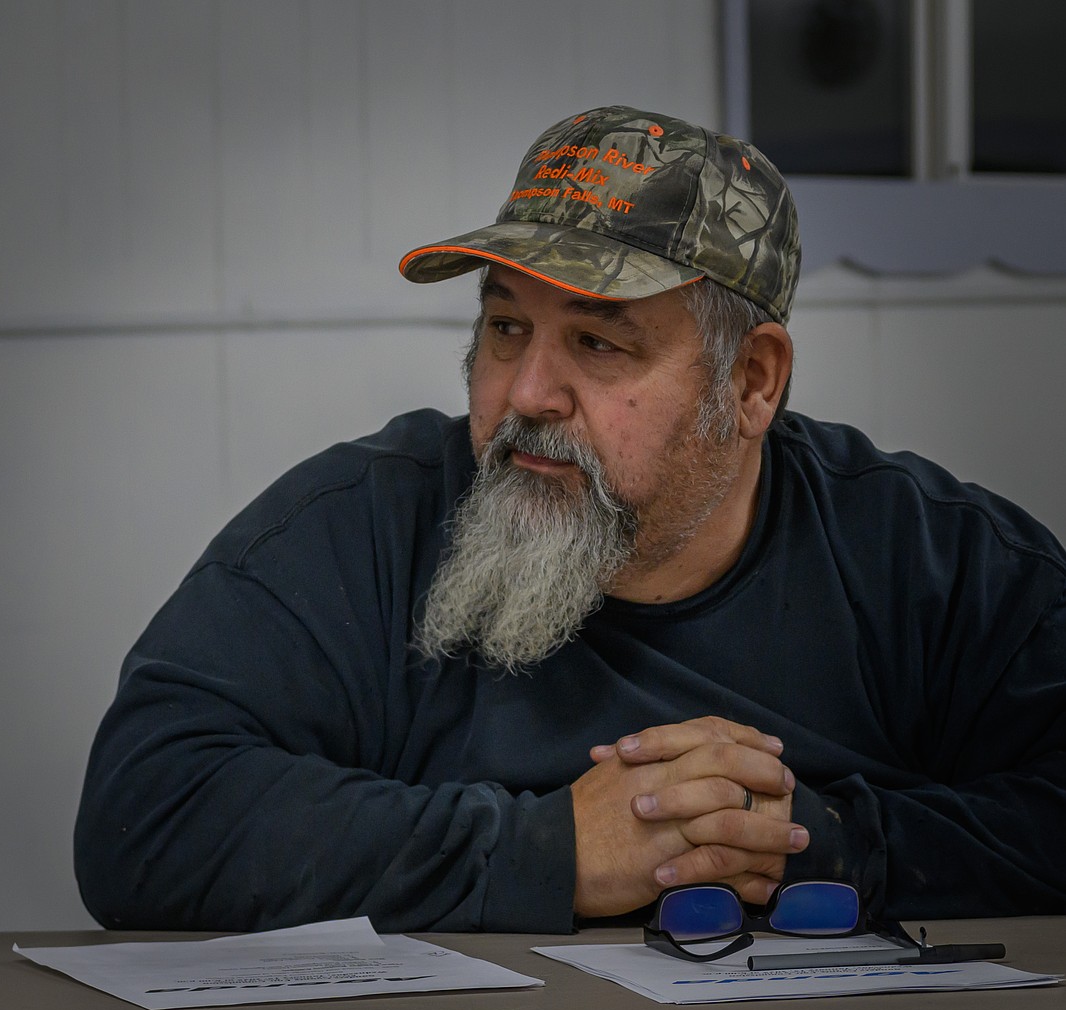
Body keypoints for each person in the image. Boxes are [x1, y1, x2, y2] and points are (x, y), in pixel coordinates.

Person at [74, 106, 1066, 934]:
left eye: (597, 341)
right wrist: (554, 849)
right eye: (507, 327)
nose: (527, 392)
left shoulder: (926, 556)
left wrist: (829, 841)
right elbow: (145, 813)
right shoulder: (363, 525)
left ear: (751, 381)